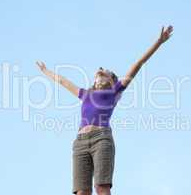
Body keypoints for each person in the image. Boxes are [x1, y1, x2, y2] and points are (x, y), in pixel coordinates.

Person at [36, 25, 173, 195]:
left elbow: (138, 63)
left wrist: (158, 42)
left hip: (102, 139)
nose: (100, 72)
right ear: (94, 81)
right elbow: (63, 82)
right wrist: (45, 71)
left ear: (112, 80)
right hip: (80, 142)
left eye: (105, 72)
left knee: (101, 188)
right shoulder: (85, 94)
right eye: (98, 72)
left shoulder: (114, 91)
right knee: (81, 192)